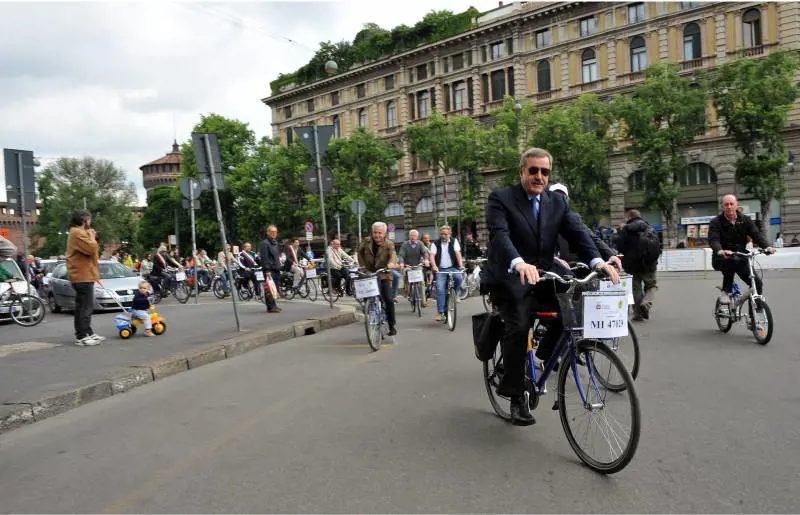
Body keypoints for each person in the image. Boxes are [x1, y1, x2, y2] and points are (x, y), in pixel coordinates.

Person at [483, 147, 619, 426]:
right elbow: (499, 235)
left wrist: (598, 261)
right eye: (533, 170)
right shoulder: (501, 198)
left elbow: (578, 233)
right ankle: (516, 396)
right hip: (511, 276)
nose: (539, 176)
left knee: (573, 309)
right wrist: (518, 262)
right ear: (522, 171)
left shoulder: (556, 203)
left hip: (544, 274)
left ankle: (543, 357)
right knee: (519, 325)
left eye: (544, 172)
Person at [709, 194, 774, 305]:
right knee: (730, 260)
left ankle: (755, 311)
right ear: (722, 207)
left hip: (741, 257)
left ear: (736, 205)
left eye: (731, 204)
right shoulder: (716, 222)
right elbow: (714, 239)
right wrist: (720, 250)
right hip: (721, 258)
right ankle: (726, 291)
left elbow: (756, 234)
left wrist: (766, 246)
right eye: (726, 204)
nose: (729, 207)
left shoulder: (745, 220)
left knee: (757, 283)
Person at [548, 183, 621, 274]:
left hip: (574, 268)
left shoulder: (572, 219)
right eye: (555, 196)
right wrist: (554, 259)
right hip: (549, 270)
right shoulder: (541, 218)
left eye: (563, 197)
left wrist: (611, 255)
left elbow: (590, 237)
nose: (559, 199)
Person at [66, 209, 104, 346]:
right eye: (89, 219)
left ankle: (88, 332)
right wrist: (92, 238)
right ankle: (81, 336)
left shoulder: (79, 232)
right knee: (84, 307)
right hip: (81, 275)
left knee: (85, 306)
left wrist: (91, 236)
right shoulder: (77, 233)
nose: (90, 221)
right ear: (84, 220)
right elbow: (91, 249)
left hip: (85, 274)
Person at [616, 209, 661, 321]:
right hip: (648, 263)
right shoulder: (650, 227)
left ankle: (637, 314)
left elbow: (619, 246)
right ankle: (646, 304)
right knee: (651, 286)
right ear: (639, 216)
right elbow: (658, 246)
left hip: (631, 265)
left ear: (629, 217)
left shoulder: (626, 229)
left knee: (635, 289)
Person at [358, 221, 399, 336]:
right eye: (375, 232)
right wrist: (361, 265)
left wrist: (391, 263)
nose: (377, 235)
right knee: (367, 296)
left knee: (388, 299)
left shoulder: (389, 244)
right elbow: (359, 252)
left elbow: (393, 255)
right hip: (368, 272)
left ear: (384, 233)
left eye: (380, 233)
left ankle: (392, 326)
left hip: (383, 273)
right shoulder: (366, 241)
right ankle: (369, 309)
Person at [429, 225, 464, 321]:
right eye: (441, 234)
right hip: (440, 269)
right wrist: (434, 266)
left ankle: (456, 294)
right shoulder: (435, 244)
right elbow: (432, 256)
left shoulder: (454, 241)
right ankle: (440, 312)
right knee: (440, 289)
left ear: (450, 234)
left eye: (445, 234)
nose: (443, 236)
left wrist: (461, 265)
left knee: (459, 278)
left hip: (453, 267)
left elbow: (458, 253)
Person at [397, 229, 430, 303]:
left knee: (421, 282)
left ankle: (423, 302)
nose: (413, 237)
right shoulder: (404, 244)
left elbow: (425, 253)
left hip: (418, 265)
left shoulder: (420, 244)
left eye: (414, 235)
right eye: (411, 235)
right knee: (407, 277)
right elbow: (401, 255)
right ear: (409, 236)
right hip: (408, 265)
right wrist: (401, 263)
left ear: (417, 237)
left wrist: (426, 259)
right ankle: (407, 291)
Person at [259, 225, 282, 313]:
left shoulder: (275, 242)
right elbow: (265, 258)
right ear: (268, 232)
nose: (274, 234)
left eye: (275, 232)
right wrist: (267, 270)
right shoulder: (265, 243)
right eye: (272, 232)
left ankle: (274, 305)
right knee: (269, 288)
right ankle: (270, 307)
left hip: (276, 268)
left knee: (274, 288)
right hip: (269, 270)